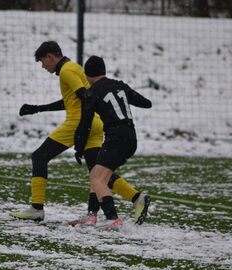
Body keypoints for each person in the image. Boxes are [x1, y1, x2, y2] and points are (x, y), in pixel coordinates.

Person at [11, 41, 150, 225]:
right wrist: (38, 108)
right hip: (96, 123)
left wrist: (79, 135)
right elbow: (78, 98)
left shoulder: (67, 71)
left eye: (42, 61)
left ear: (50, 57)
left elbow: (85, 97)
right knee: (98, 171)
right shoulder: (74, 67)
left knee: (39, 156)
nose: (43, 66)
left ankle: (37, 209)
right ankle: (133, 198)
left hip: (80, 123)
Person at [74, 55, 152, 229]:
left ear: (87, 74)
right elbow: (145, 103)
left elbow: (85, 124)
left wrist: (78, 147)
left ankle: (113, 219)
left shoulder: (92, 92)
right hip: (131, 138)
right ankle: (92, 214)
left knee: (96, 178)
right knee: (97, 173)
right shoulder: (119, 85)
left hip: (116, 139)